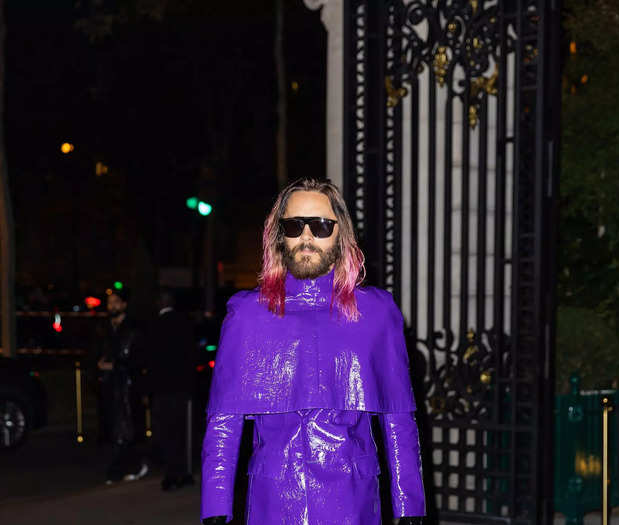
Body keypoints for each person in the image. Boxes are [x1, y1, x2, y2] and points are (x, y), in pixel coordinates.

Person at [200, 179, 425, 525]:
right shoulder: (246, 315)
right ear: (279, 235)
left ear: (341, 234)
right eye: (294, 226)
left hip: (354, 498)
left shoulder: (377, 313)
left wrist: (411, 509)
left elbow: (398, 418)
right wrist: (215, 510)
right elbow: (224, 424)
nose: (306, 237)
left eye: (320, 226)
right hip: (272, 501)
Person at [95, 289, 148, 484]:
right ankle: (126, 465)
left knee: (127, 429)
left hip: (127, 386)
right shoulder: (105, 328)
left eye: (116, 302)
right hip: (110, 385)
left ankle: (124, 467)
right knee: (114, 429)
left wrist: (116, 365)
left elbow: (138, 359)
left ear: (124, 304)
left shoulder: (133, 329)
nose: (112, 306)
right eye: (109, 303)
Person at [146, 289, 196, 491]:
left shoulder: (154, 326)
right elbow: (191, 356)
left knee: (166, 433)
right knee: (182, 431)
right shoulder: (185, 323)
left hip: (162, 388)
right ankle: (184, 471)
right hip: (182, 388)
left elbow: (150, 360)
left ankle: (171, 473)